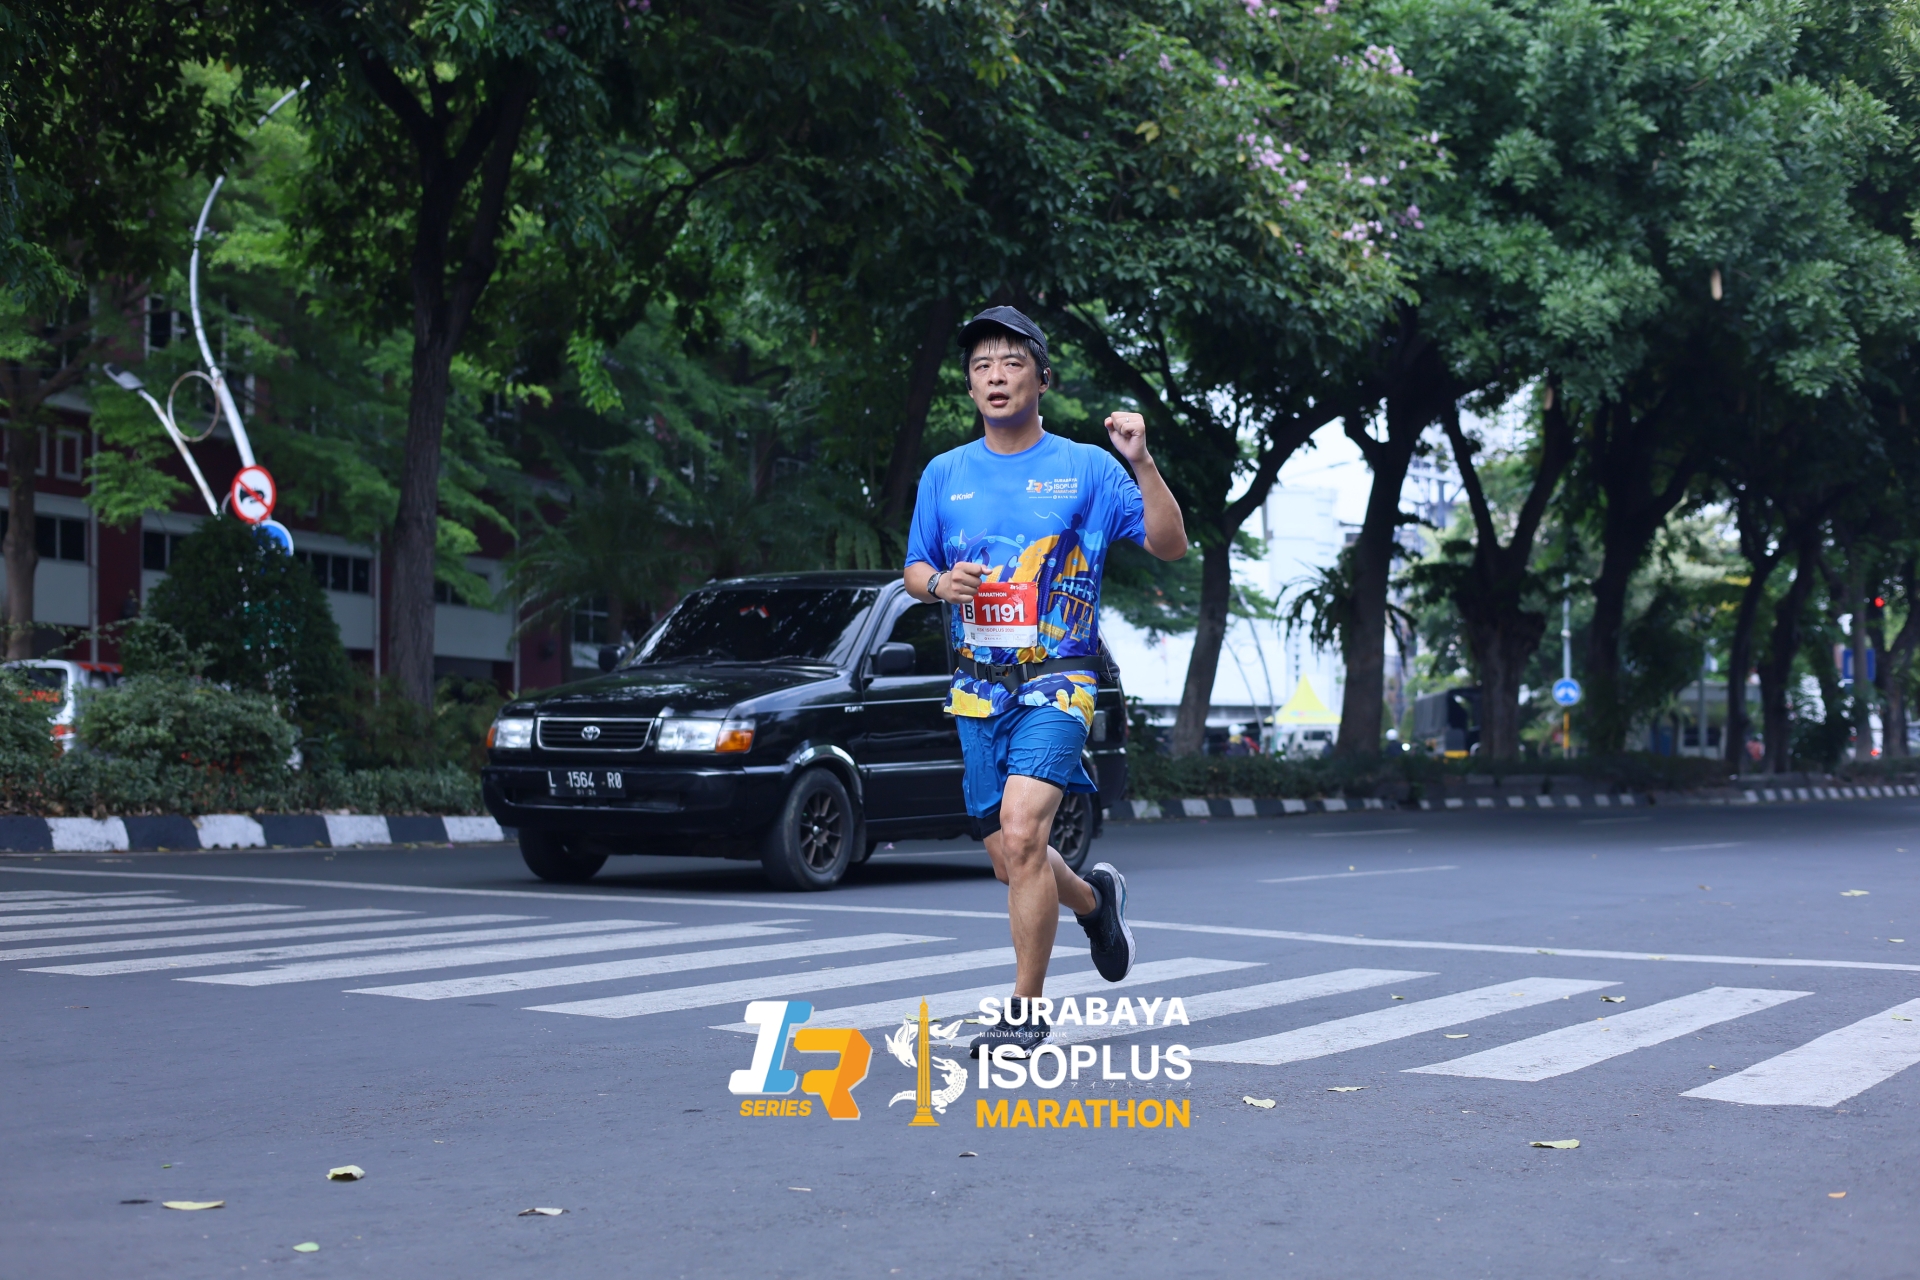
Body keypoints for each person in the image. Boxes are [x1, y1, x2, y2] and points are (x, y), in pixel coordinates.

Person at [902, 306, 1189, 1059]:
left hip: (1059, 680)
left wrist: (1142, 463)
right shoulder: (945, 473)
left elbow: (1170, 544)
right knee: (1010, 857)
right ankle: (1095, 903)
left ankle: (1025, 1014)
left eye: (1011, 363)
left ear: (1042, 378)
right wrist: (939, 586)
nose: (995, 377)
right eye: (981, 366)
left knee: (1026, 831)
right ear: (970, 387)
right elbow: (915, 567)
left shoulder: (1088, 468)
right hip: (977, 685)